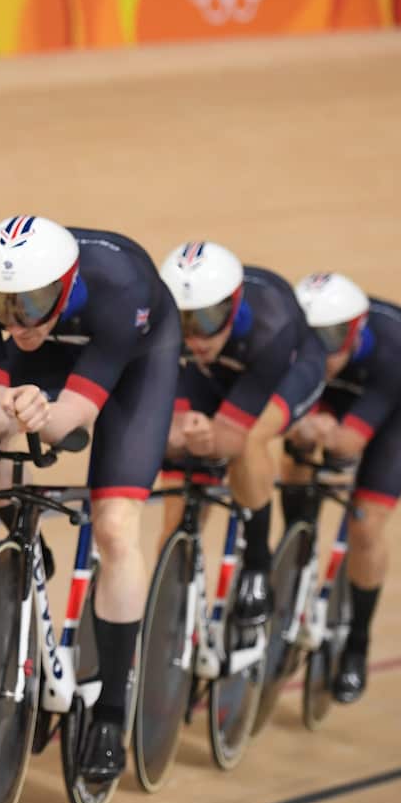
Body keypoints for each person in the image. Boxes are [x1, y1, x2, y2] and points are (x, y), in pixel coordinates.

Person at [0, 215, 180, 784]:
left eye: (31, 304)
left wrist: (38, 414)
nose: (17, 321)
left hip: (133, 361)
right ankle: (20, 536)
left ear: (66, 285)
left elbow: (72, 421)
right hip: (48, 361)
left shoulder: (123, 288)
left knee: (113, 525)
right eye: (3, 306)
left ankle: (110, 711)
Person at [157, 241, 327, 625]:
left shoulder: (272, 322)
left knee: (246, 441)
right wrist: (184, 434)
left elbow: (229, 439)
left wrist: (207, 438)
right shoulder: (176, 333)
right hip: (209, 376)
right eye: (184, 322)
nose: (194, 337)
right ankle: (167, 624)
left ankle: (257, 565)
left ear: (234, 306)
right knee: (176, 515)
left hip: (286, 373)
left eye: (205, 321)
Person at [286, 272, 401, 703]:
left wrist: (313, 426)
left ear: (355, 332)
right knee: (291, 458)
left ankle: (356, 645)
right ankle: (296, 552)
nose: (318, 349)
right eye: (310, 338)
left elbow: (348, 442)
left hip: (391, 403)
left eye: (329, 339)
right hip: (333, 395)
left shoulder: (397, 350)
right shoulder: (309, 351)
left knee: (365, 525)